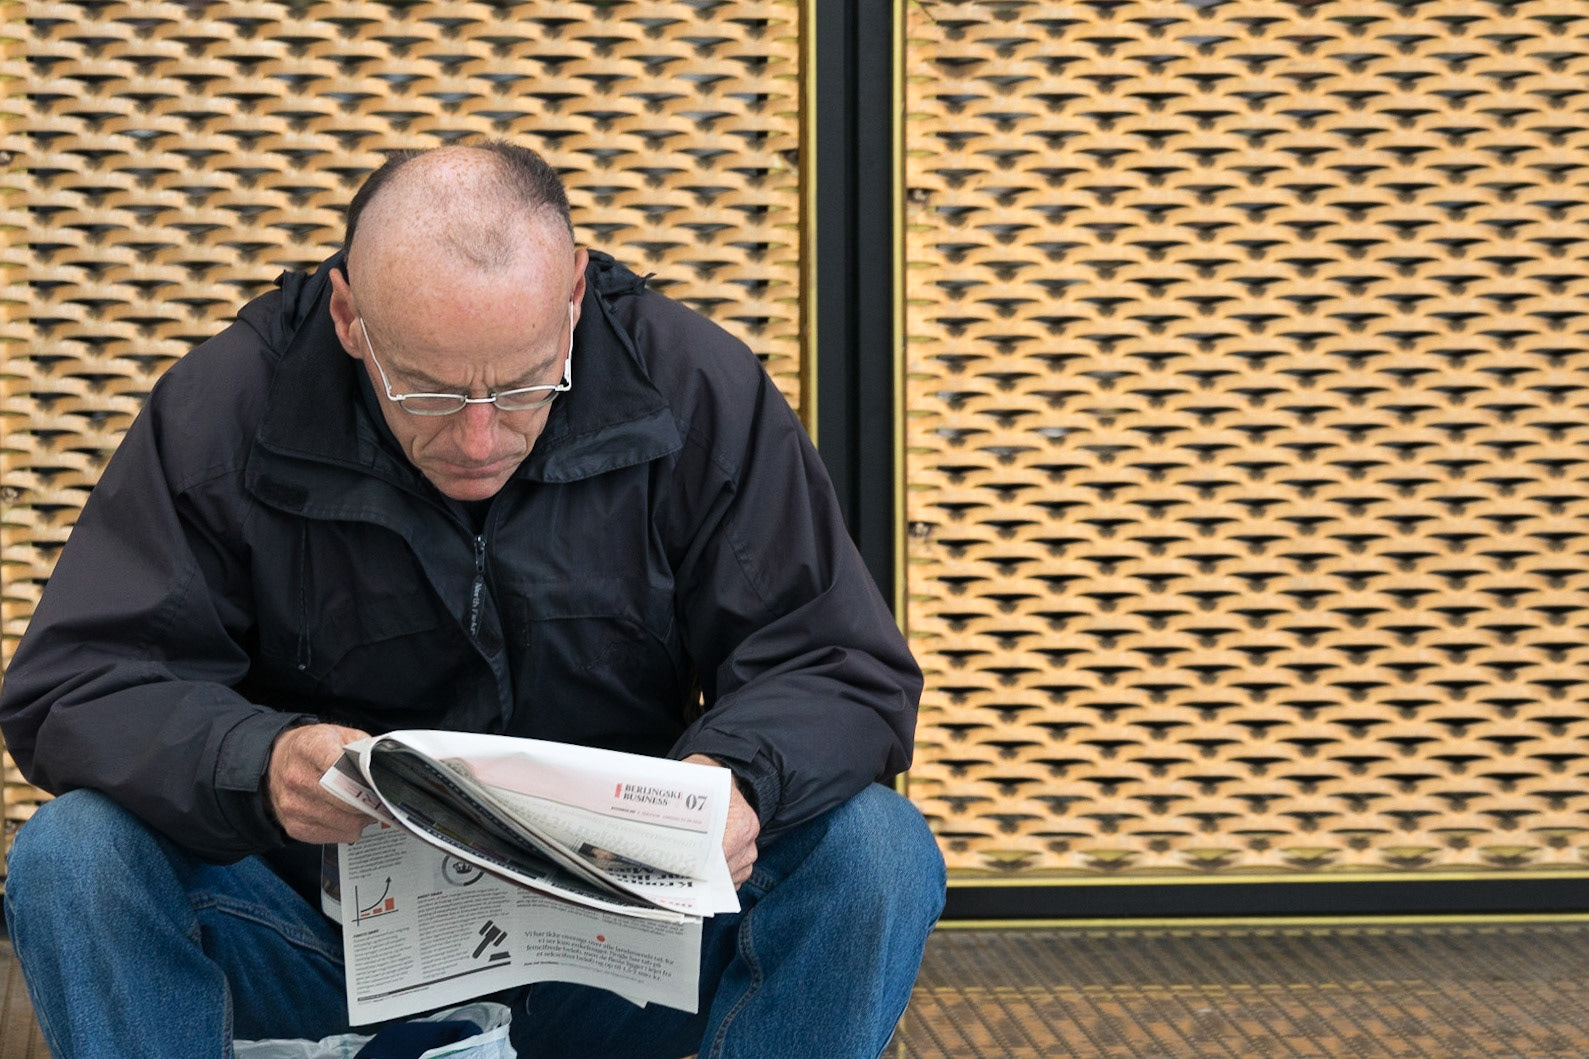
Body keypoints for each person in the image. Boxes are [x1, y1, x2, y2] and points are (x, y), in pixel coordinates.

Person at [0, 142, 944, 1058]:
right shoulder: (229, 404)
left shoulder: (691, 385)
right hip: (316, 944)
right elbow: (78, 681)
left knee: (875, 847)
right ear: (348, 316)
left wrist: (739, 789)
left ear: (572, 296)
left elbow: (837, 662)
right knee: (75, 856)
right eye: (427, 391)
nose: (481, 438)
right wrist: (259, 760)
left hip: (619, 950)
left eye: (528, 383)